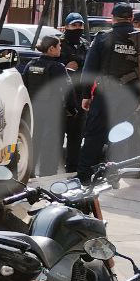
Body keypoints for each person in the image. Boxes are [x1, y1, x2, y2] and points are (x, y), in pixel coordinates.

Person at [77, 3, 140, 182]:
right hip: (132, 98)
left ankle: (84, 176)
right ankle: (113, 175)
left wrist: (86, 95)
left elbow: (89, 70)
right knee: (121, 136)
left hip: (105, 96)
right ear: (131, 18)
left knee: (94, 136)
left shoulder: (103, 38)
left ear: (113, 18)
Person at [21, 35, 73, 177]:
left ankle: (29, 172)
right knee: (51, 142)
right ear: (51, 49)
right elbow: (67, 90)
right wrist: (72, 109)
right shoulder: (58, 67)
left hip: (34, 109)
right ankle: (47, 173)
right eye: (59, 46)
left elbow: (24, 86)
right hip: (53, 111)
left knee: (33, 140)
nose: (60, 49)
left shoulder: (30, 64)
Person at [59, 12, 89, 172]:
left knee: (76, 138)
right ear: (66, 27)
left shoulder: (85, 44)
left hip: (80, 97)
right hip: (62, 99)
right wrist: (67, 67)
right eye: (74, 25)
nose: (77, 28)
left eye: (80, 25)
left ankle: (72, 170)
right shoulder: (59, 44)